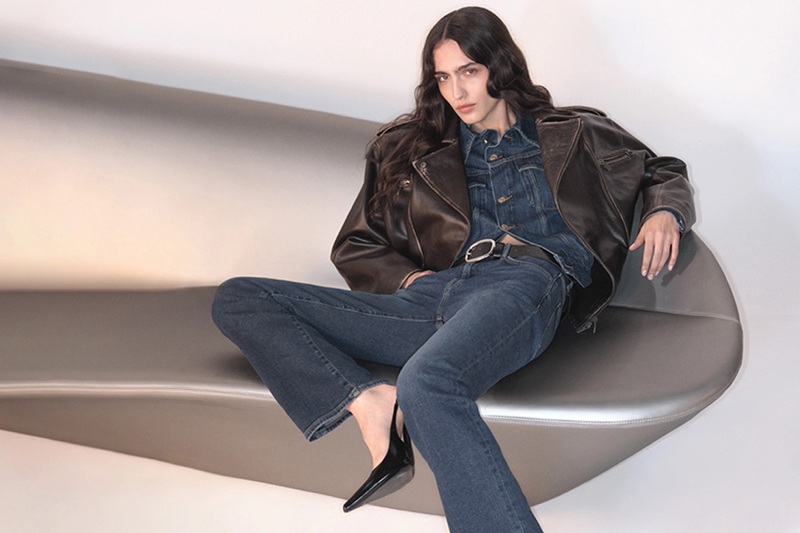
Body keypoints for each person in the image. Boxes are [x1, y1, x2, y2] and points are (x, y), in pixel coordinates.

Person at [212, 6, 695, 532]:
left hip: (526, 283)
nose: (457, 91)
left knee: (428, 382)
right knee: (241, 297)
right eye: (443, 77)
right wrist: (407, 280)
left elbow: (660, 169)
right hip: (436, 294)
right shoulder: (408, 149)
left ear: (500, 66)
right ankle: (371, 402)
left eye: (469, 71)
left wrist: (665, 212)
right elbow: (356, 242)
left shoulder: (574, 131)